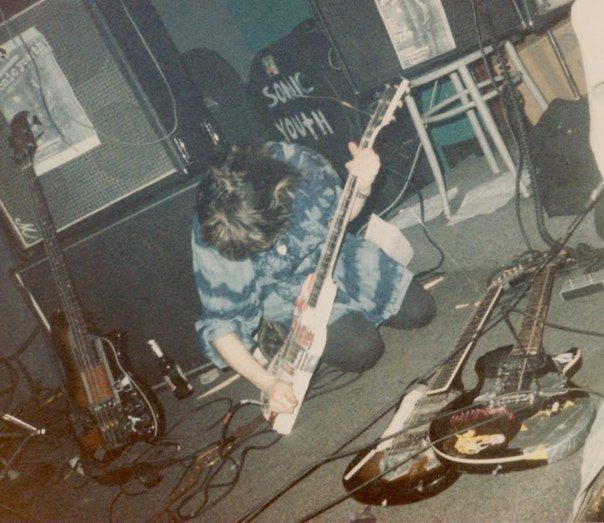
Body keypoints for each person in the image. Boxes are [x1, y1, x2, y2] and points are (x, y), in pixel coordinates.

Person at [192, 140, 436, 415]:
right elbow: (221, 324)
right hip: (280, 288)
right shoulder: (217, 225)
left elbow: (341, 218)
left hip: (332, 251)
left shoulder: (300, 164)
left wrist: (363, 185)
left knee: (421, 311)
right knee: (363, 349)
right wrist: (268, 384)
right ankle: (277, 333)